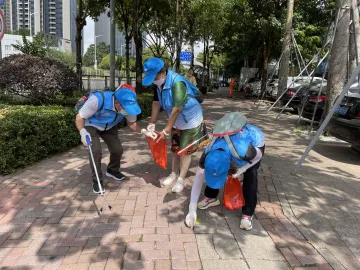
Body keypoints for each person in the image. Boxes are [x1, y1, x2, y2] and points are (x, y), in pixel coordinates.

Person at [185, 113, 265, 230]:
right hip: (229, 145)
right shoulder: (207, 154)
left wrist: (243, 168)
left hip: (255, 142)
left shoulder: (245, 151)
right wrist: (191, 210)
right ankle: (211, 197)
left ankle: (248, 213)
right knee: (216, 170)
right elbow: (198, 181)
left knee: (251, 176)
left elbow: (259, 156)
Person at [142, 57, 205, 193]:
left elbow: (177, 109)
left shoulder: (177, 83)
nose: (153, 80)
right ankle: (173, 173)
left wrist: (165, 131)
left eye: (154, 76)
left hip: (190, 120)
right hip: (176, 120)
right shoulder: (159, 83)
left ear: (163, 71)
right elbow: (156, 103)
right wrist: (152, 122)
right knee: (175, 149)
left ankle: (181, 179)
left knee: (185, 150)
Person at [75, 87, 155, 194]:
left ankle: (112, 170)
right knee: (96, 151)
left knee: (117, 149)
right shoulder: (97, 100)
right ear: (117, 102)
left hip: (109, 127)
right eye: (125, 108)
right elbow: (80, 117)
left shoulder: (128, 107)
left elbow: (131, 123)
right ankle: (97, 180)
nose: (128, 111)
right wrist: (82, 131)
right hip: (91, 125)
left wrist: (144, 131)